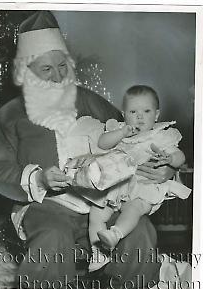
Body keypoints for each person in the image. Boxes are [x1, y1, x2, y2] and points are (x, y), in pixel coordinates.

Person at [0, 11, 179, 289]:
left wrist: (165, 168)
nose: (58, 77)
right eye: (46, 70)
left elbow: (139, 133)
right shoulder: (10, 115)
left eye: (62, 66)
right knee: (52, 238)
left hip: (103, 202)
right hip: (47, 207)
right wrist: (38, 179)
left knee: (139, 232)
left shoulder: (88, 100)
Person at [64, 85, 191, 272]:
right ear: (124, 114)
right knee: (96, 212)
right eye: (133, 111)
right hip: (118, 185)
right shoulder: (121, 130)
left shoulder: (160, 136)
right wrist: (121, 133)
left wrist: (171, 159)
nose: (140, 117)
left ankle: (116, 234)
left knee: (133, 209)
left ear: (156, 115)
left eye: (146, 111)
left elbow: (180, 156)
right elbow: (102, 143)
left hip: (143, 187)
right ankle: (99, 251)